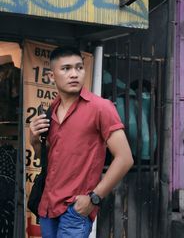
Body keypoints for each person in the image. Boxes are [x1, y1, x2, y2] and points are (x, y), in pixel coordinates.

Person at [29, 46, 134, 238]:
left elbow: (125, 158)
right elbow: (47, 157)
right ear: (52, 77)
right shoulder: (51, 109)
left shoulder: (100, 107)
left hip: (74, 209)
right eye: (66, 68)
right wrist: (34, 140)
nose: (74, 74)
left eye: (79, 68)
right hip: (47, 206)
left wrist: (94, 198)